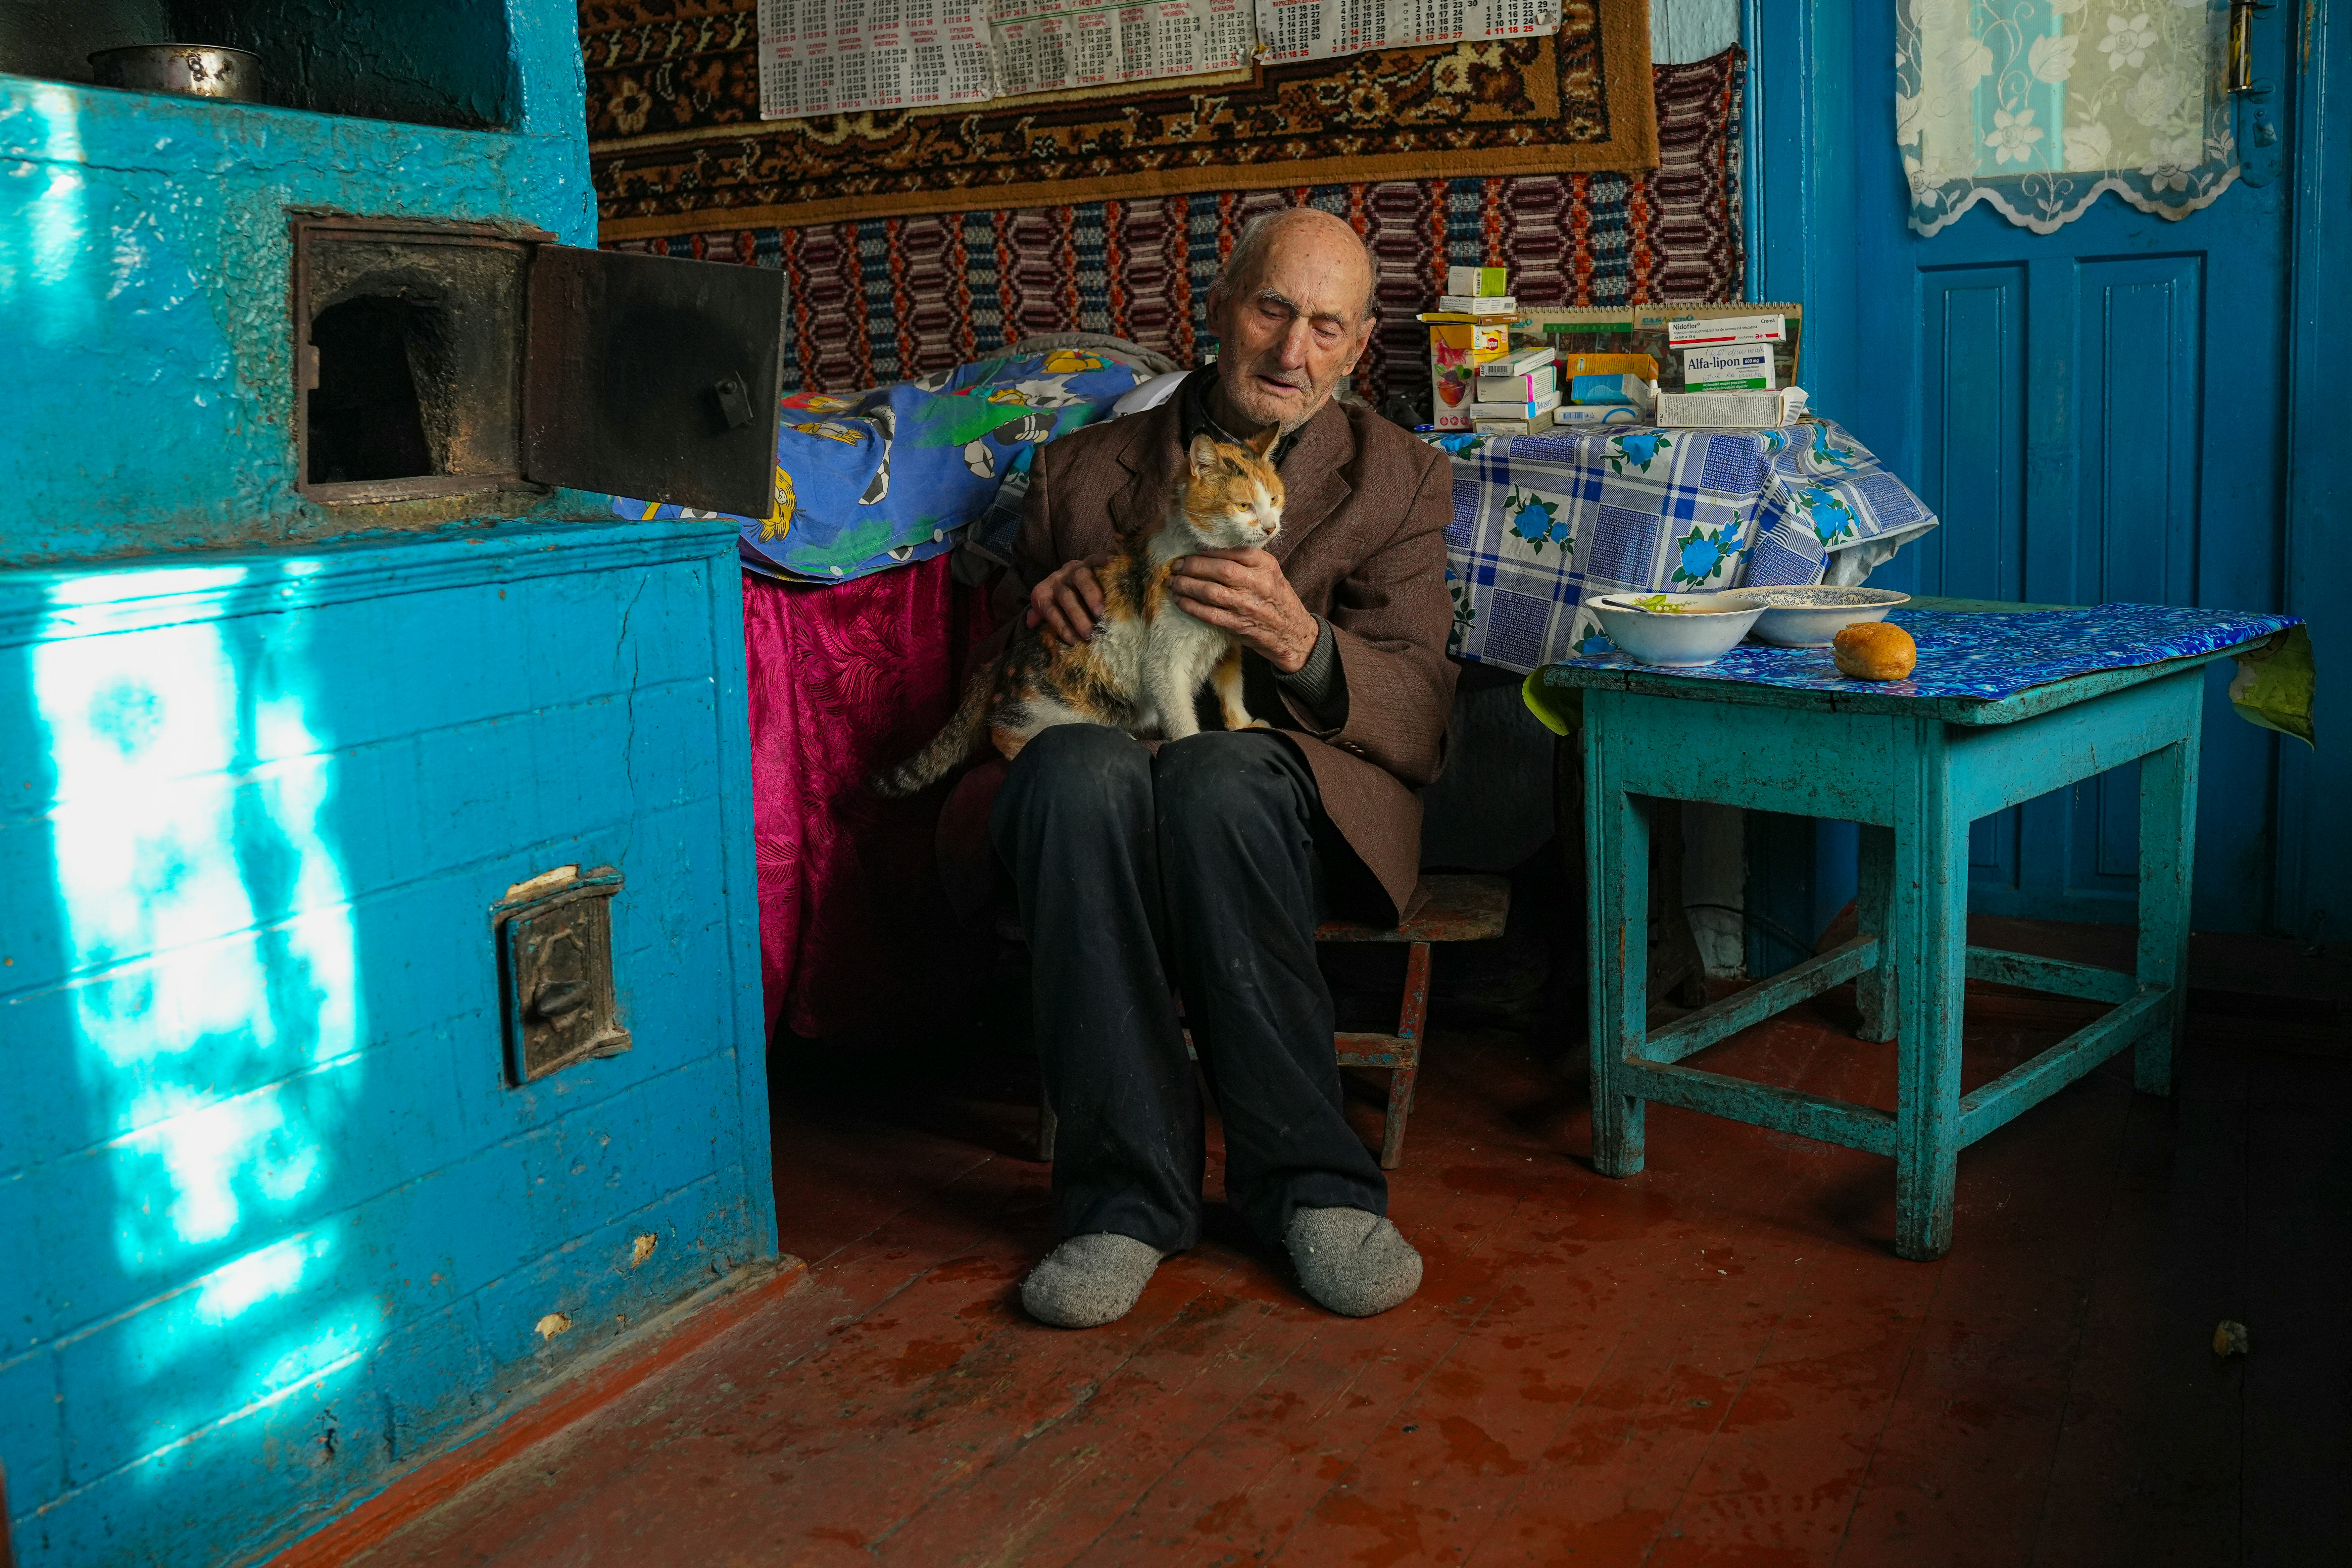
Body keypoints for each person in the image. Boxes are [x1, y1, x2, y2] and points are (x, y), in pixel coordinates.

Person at [951, 207, 1457, 1327]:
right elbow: (997, 671)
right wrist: (1038, 613)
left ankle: (1313, 1188)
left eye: (1328, 328)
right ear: (1221, 309)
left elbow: (1422, 717)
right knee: (1079, 774)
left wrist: (1304, 645)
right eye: (1273, 311)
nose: (1293, 352)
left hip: (1289, 800)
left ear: (1360, 345)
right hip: (1102, 785)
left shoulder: (1401, 482)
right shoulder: (1078, 473)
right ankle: (1123, 1204)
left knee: (1214, 776)